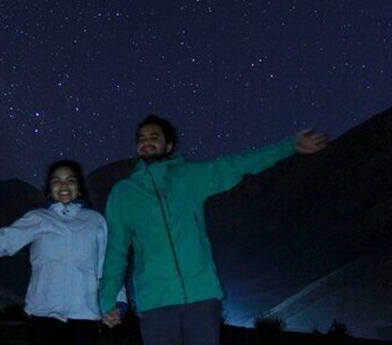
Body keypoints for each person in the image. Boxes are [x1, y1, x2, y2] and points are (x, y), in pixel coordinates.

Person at [99, 115, 328, 345]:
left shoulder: (191, 176)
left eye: (154, 137)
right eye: (142, 139)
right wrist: (108, 300)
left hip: (201, 297)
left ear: (168, 145)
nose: (146, 142)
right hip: (156, 301)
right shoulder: (124, 193)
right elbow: (116, 251)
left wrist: (289, 146)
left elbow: (237, 164)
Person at [0, 159, 127, 345]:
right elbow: (1, 240)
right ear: (49, 189)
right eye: (56, 181)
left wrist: (118, 301)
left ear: (79, 187)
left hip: (85, 317)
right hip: (43, 315)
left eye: (70, 180)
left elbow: (109, 265)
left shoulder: (95, 221)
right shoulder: (38, 218)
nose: (64, 186)